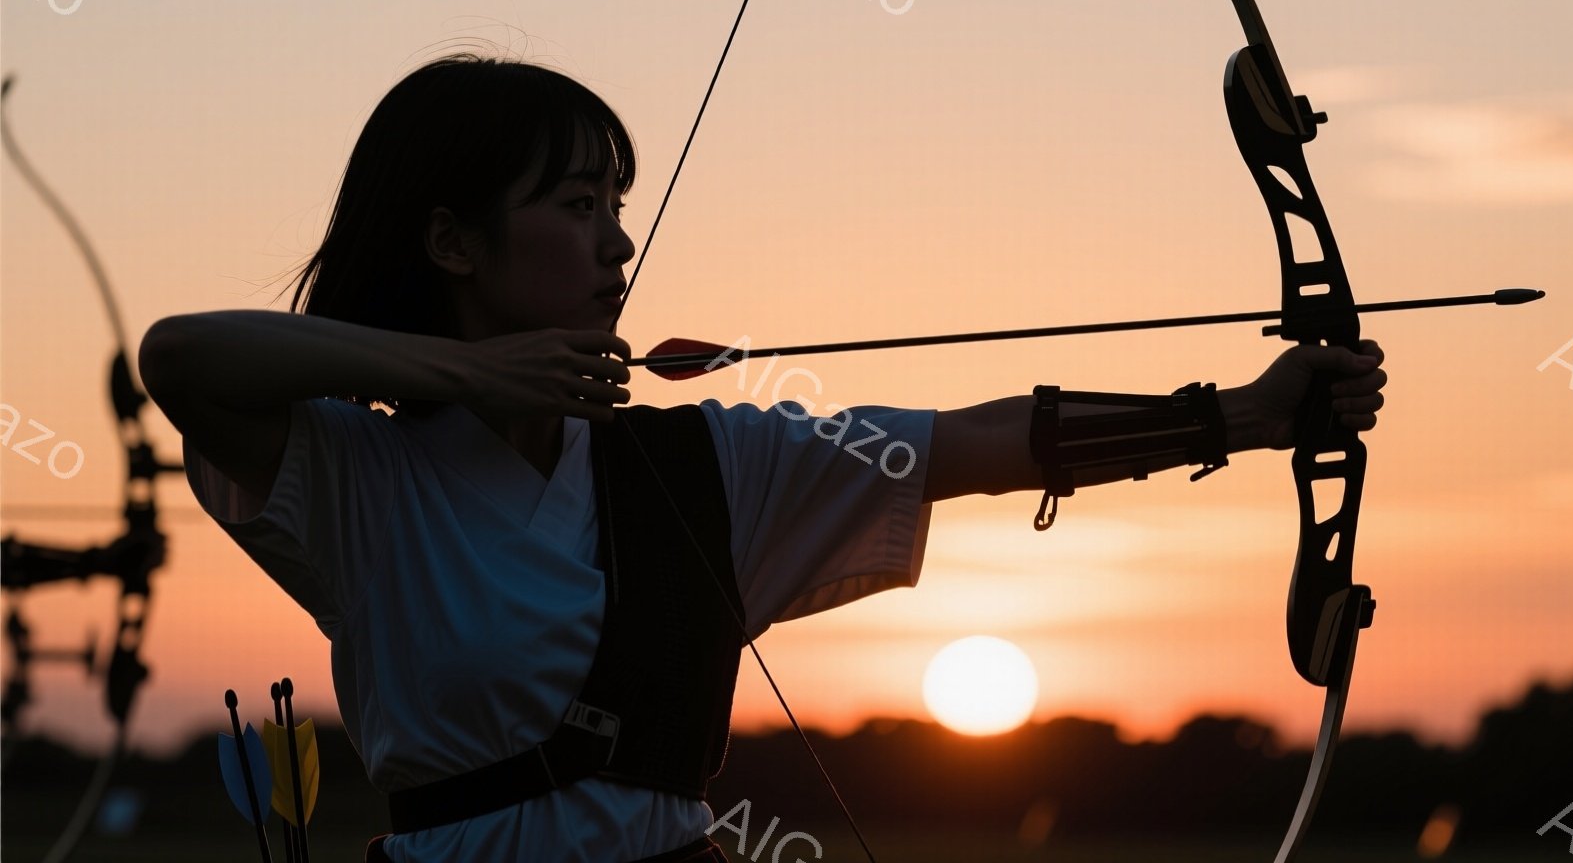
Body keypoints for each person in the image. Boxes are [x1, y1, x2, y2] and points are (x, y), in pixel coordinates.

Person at [137, 54, 1387, 863]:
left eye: (618, 211)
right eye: (577, 209)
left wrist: (1244, 415)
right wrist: (462, 375)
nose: (616, 248)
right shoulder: (357, 478)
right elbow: (179, 357)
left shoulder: (708, 465)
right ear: (455, 245)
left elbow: (979, 444)